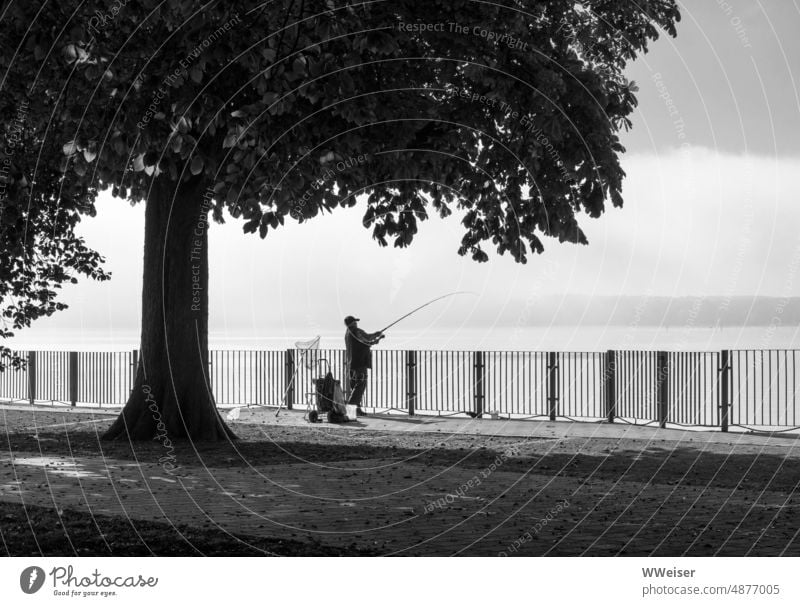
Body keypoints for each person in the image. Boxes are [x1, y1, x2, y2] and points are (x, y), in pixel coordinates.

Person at [344, 315, 384, 415]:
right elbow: (367, 338)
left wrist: (376, 339)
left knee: (355, 387)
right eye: (355, 322)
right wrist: (377, 334)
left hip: (350, 364)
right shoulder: (356, 331)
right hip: (359, 363)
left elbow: (365, 342)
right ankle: (350, 410)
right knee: (359, 386)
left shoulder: (347, 333)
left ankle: (357, 410)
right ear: (352, 323)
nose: (356, 323)